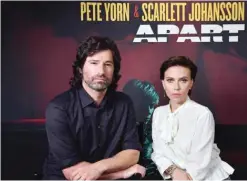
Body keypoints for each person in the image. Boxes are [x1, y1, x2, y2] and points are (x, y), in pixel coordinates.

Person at [43, 36, 145, 180]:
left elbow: (132, 153)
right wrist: (122, 173)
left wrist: (98, 167)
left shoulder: (124, 103)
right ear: (80, 69)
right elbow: (74, 174)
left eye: (108, 64)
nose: (101, 71)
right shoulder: (58, 108)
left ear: (114, 69)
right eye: (94, 63)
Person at [151, 56, 234, 180]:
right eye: (170, 80)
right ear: (163, 83)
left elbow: (199, 163)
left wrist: (184, 177)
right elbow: (158, 153)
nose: (176, 87)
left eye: (183, 80)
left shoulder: (202, 114)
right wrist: (173, 171)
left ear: (191, 83)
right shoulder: (158, 113)